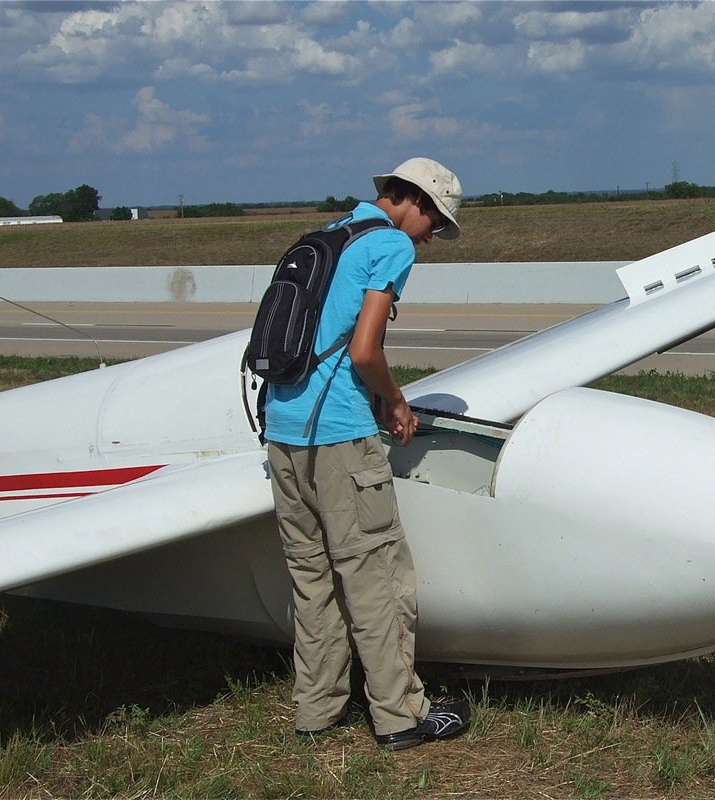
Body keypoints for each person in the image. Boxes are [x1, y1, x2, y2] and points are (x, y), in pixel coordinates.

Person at [264, 157, 470, 748]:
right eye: (436, 221)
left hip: (283, 433)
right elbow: (363, 351)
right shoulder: (389, 247)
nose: (432, 236)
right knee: (376, 575)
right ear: (414, 202)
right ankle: (402, 716)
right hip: (341, 440)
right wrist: (397, 402)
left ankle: (318, 710)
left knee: (313, 578)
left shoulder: (326, 236)